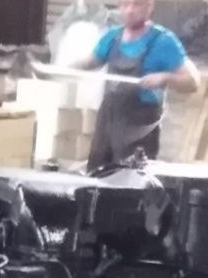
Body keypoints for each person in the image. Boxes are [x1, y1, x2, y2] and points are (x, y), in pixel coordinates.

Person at [70, 0, 200, 169]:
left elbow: (193, 82)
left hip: (140, 129)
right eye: (125, 4)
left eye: (137, 4)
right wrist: (58, 69)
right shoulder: (112, 37)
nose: (130, 10)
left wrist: (165, 77)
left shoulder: (164, 41)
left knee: (131, 181)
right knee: (96, 177)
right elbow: (91, 62)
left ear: (149, 7)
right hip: (108, 125)